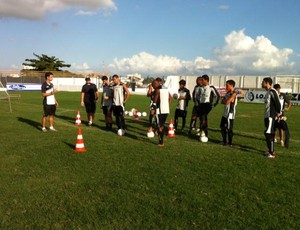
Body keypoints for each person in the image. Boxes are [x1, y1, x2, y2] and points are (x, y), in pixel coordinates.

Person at [196, 74, 220, 141]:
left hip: (207, 105)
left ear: (206, 80)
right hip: (201, 105)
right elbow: (197, 97)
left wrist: (214, 104)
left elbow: (218, 96)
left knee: (203, 118)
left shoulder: (211, 87)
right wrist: (198, 104)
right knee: (202, 119)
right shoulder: (200, 88)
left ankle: (205, 134)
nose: (201, 81)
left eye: (202, 80)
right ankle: (202, 132)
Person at [262, 77, 281, 158]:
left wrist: (278, 113)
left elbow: (278, 103)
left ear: (267, 83)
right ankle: (270, 151)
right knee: (268, 133)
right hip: (267, 116)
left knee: (268, 133)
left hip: (270, 116)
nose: (261, 84)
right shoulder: (268, 92)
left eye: (263, 82)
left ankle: (272, 153)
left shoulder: (272, 91)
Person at [151, 79, 172, 147]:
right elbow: (170, 98)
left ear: (156, 84)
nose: (153, 87)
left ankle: (161, 142)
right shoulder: (165, 89)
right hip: (166, 110)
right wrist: (167, 105)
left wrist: (153, 109)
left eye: (153, 85)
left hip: (159, 110)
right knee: (161, 125)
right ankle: (157, 132)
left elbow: (155, 101)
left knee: (160, 126)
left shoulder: (157, 90)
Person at [220, 80, 238, 146]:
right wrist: (225, 101)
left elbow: (227, 102)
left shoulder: (234, 93)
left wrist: (226, 101)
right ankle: (224, 141)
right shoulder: (228, 93)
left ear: (231, 85)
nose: (226, 86)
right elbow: (222, 101)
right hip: (225, 113)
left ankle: (230, 143)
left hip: (230, 113)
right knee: (222, 127)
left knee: (229, 128)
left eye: (227, 85)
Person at [274, 84, 292, 148]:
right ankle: (275, 138)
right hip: (274, 113)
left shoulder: (283, 95)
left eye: (278, 89)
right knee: (274, 127)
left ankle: (281, 140)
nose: (277, 90)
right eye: (276, 89)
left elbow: (289, 103)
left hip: (281, 114)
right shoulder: (273, 95)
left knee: (281, 127)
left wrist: (287, 108)